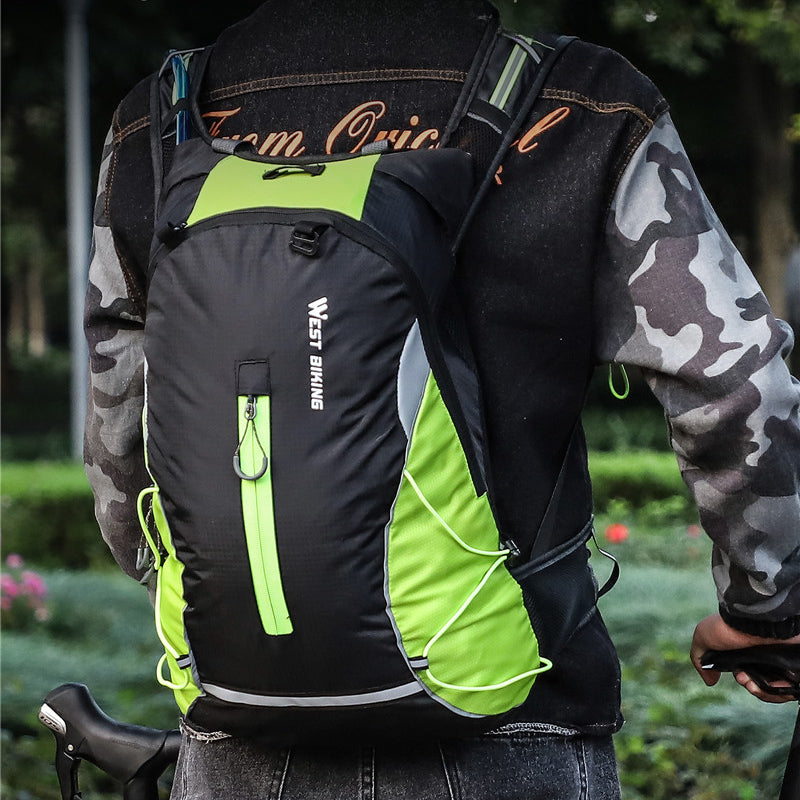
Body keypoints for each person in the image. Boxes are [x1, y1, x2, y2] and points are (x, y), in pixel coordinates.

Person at [84, 1, 800, 797]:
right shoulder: (588, 99)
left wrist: (252, 607)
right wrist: (766, 607)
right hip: (515, 713)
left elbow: (119, 430)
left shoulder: (156, 121)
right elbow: (735, 383)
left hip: (241, 719)